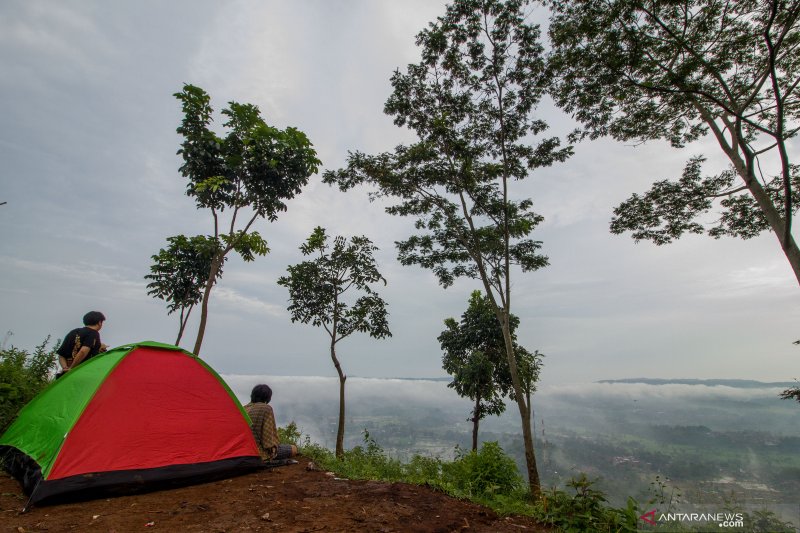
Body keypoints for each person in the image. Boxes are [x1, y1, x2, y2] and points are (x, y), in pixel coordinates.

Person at [244, 384, 297, 462]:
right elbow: (268, 441)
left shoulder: (243, 408)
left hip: (242, 450)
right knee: (293, 448)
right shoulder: (266, 408)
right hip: (257, 453)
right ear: (267, 397)